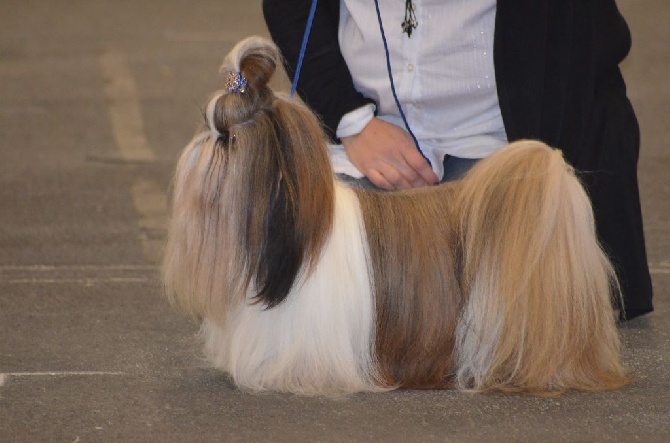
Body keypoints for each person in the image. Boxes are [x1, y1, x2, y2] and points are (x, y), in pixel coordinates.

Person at [262, 0, 653, 320]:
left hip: (508, 137)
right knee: (308, 291)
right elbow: (290, 9)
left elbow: (592, 41)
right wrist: (351, 120)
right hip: (364, 135)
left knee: (523, 311)